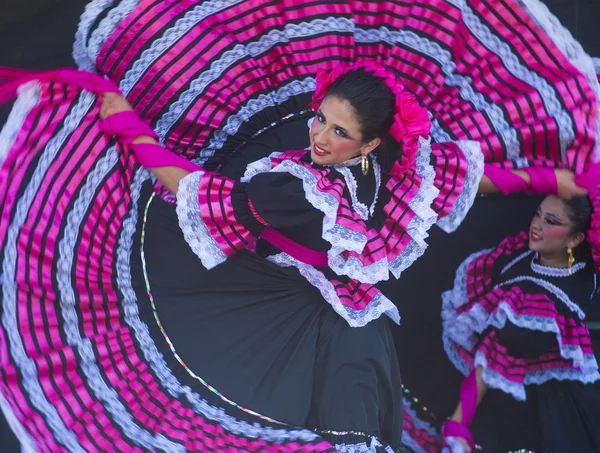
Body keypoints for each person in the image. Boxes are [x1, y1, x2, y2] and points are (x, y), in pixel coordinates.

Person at [0, 0, 597, 451]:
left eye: (338, 131)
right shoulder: (401, 168)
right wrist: (555, 182)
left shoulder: (307, 191)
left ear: (372, 141)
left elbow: (190, 187)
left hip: (332, 336)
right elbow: (489, 179)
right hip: (356, 329)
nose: (318, 136)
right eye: (320, 118)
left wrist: (130, 126)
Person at [440, 191, 600, 453]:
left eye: (551, 221)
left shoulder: (558, 291)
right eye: (538, 213)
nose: (536, 224)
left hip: (549, 414)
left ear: (574, 239)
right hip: (504, 401)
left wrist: (459, 423)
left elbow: (490, 357)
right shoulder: (518, 256)